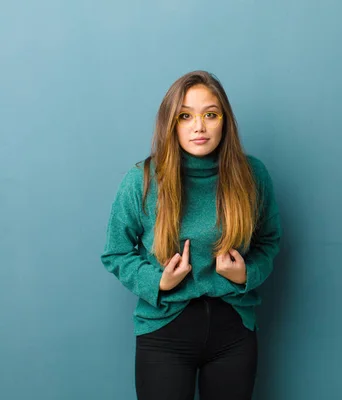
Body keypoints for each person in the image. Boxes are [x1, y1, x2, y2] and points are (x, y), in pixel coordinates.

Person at [100, 70, 281, 400]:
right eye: (186, 116)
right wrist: (158, 282)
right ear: (171, 123)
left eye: (210, 114)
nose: (199, 126)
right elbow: (116, 252)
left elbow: (270, 241)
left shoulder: (253, 175)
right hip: (164, 332)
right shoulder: (142, 180)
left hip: (234, 332)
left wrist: (245, 274)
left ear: (224, 121)